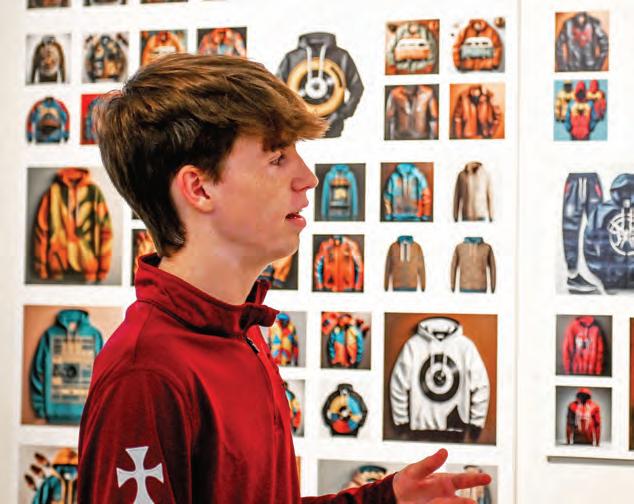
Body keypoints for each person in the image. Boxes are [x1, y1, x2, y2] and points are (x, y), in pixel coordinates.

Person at [76, 53, 490, 503]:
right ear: (199, 187)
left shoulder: (241, 331)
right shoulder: (145, 375)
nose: (308, 178)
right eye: (277, 157)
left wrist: (385, 500)